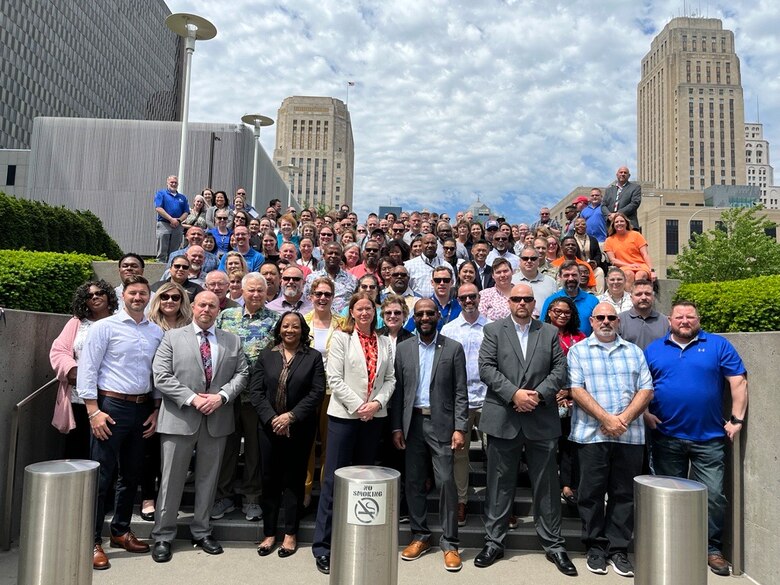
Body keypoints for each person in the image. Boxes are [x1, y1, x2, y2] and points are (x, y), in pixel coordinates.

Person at [475, 283, 576, 576]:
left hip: (541, 417)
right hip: (504, 417)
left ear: (534, 303)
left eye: (526, 299)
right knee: (498, 484)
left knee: (546, 485)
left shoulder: (548, 332)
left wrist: (538, 396)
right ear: (509, 302)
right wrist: (514, 394)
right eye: (516, 298)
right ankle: (494, 541)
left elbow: (560, 370)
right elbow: (486, 368)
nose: (521, 302)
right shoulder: (493, 331)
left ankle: (554, 544)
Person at [644, 301, 748, 577]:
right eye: (679, 316)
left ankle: (711, 549)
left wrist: (737, 420)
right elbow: (640, 386)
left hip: (709, 438)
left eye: (690, 316)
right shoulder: (654, 349)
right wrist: (644, 413)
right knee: (669, 497)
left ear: (698, 319)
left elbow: (737, 381)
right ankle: (672, 545)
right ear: (670, 320)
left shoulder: (717, 345)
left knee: (713, 496)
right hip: (666, 436)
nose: (685, 320)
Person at [150, 291, 249, 563]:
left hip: (217, 419)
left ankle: (202, 531)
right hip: (180, 418)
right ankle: (163, 535)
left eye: (212, 305)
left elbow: (242, 374)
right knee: (171, 480)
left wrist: (222, 397)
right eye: (202, 304)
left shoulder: (232, 340)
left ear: (220, 310)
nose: (206, 309)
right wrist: (193, 399)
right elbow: (161, 376)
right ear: (193, 307)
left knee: (208, 479)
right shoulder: (172, 337)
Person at [75, 275, 163, 570]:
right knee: (102, 477)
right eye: (133, 293)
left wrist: (156, 408)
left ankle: (120, 531)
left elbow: (157, 374)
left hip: (141, 409)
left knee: (132, 475)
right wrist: (92, 410)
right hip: (110, 407)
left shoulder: (155, 332)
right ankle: (91, 541)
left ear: (149, 297)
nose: (138, 297)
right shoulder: (104, 327)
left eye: (143, 293)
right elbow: (88, 369)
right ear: (123, 295)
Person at [311, 292, 396, 575]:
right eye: (359, 308)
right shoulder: (341, 338)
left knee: (363, 482)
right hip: (345, 417)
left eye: (369, 308)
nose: (364, 313)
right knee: (334, 481)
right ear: (351, 311)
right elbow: (333, 378)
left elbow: (390, 378)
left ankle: (357, 538)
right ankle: (323, 547)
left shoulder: (384, 342)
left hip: (374, 418)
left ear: (375, 312)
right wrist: (359, 405)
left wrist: (376, 403)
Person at [567, 303, 654, 577]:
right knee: (590, 494)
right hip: (591, 436)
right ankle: (595, 547)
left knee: (623, 494)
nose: (606, 321)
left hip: (630, 436)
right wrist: (606, 419)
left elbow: (646, 389)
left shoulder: (634, 351)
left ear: (618, 321)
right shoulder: (578, 351)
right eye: (600, 318)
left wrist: (622, 420)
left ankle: (618, 549)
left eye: (611, 317)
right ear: (591, 321)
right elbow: (576, 390)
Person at [392, 299, 468, 572]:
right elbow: (398, 391)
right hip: (411, 424)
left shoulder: (453, 348)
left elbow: (461, 391)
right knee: (412, 482)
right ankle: (420, 535)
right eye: (420, 314)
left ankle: (450, 543)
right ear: (414, 318)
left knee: (446, 481)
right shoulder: (403, 349)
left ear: (438, 315)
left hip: (443, 426)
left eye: (429, 313)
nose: (425, 317)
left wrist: (460, 427)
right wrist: (396, 427)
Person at [250, 312, 325, 558]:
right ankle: (269, 532)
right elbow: (257, 391)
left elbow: (316, 392)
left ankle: (290, 533)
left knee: (294, 481)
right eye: (285, 326)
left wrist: (290, 417)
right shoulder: (266, 355)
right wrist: (273, 418)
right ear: (279, 329)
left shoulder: (312, 357)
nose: (290, 330)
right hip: (269, 427)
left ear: (302, 330)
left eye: (295, 326)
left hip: (299, 428)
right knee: (269, 479)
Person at [212, 273, 280, 522]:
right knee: (227, 448)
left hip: (258, 398)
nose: (255, 294)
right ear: (241, 290)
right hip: (227, 395)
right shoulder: (226, 316)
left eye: (260, 291)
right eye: (250, 290)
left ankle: (252, 498)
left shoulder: (275, 320)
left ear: (266, 292)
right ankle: (223, 497)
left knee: (254, 451)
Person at [50, 280, 118, 460]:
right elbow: (59, 350)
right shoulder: (76, 323)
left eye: (99, 293)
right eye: (89, 296)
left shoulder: (120, 321)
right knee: (77, 449)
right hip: (80, 397)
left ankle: (102, 489)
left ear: (108, 296)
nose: (95, 297)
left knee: (106, 450)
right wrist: (71, 370)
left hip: (111, 396)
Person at [440, 283, 489, 527]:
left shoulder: (492, 327)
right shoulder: (449, 330)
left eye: (472, 296)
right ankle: (461, 501)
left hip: (489, 399)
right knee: (459, 454)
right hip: (460, 400)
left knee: (496, 455)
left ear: (479, 297)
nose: (468, 300)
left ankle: (498, 503)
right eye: (463, 297)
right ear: (457, 300)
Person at [143, 282, 192, 521]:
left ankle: (171, 499)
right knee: (151, 451)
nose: (170, 302)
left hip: (181, 398)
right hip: (152, 395)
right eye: (165, 297)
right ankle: (149, 498)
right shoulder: (149, 327)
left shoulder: (190, 328)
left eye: (175, 298)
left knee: (173, 456)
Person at [303, 278, 347, 508]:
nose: (322, 298)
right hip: (307, 392)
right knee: (306, 443)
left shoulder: (342, 323)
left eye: (327, 294)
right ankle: (306, 490)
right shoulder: (302, 321)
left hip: (334, 391)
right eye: (318, 294)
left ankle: (327, 493)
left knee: (330, 446)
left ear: (333, 297)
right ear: (310, 296)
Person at [543, 296, 585, 509]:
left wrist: (569, 392)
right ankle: (549, 485)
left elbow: (586, 370)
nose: (561, 315)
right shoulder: (539, 334)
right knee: (548, 446)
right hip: (545, 399)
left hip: (572, 399)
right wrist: (551, 392)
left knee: (570, 445)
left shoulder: (580, 337)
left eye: (566, 312)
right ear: (549, 312)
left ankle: (567, 485)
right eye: (557, 311)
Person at [540, 261, 600, 336]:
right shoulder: (551, 301)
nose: (570, 278)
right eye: (566, 275)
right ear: (560, 277)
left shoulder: (593, 301)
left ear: (580, 276)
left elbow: (598, 328)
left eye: (574, 275)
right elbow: (542, 328)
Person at [604, 212, 654, 288]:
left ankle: (639, 297)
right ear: (613, 225)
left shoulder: (636, 235)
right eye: (616, 222)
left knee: (640, 275)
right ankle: (629, 299)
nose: (619, 223)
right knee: (628, 274)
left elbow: (645, 254)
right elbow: (613, 260)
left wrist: (652, 271)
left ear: (626, 223)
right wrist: (629, 265)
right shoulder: (609, 240)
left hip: (641, 266)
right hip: (624, 266)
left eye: (622, 221)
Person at [305, 242, 358, 313]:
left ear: (341, 257)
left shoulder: (353, 280)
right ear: (323, 256)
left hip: (344, 322)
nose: (333, 256)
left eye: (336, 254)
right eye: (330, 253)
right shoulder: (311, 278)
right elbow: (306, 302)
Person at [617, 280, 669, 350]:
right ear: (631, 297)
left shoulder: (664, 321)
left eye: (647, 294)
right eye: (639, 294)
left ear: (653, 297)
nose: (644, 297)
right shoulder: (620, 320)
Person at [511, 245, 557, 317]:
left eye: (533, 259)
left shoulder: (551, 282)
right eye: (525, 258)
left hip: (544, 325)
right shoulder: (511, 281)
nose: (529, 261)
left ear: (538, 261)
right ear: (520, 261)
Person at [154, 175, 189, 263]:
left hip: (177, 225)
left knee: (175, 250)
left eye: (175, 182)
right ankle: (160, 265)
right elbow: (158, 208)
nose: (173, 184)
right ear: (167, 183)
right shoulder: (161, 194)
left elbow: (186, 212)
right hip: (164, 224)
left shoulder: (182, 197)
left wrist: (179, 220)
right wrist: (171, 219)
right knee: (162, 247)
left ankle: (172, 265)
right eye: (171, 182)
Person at [405, 233, 446, 299]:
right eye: (427, 243)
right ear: (421, 245)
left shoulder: (446, 265)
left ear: (437, 245)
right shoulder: (409, 265)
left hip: (440, 306)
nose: (430, 245)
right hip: (416, 305)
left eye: (432, 243)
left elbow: (452, 288)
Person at [429, 265, 460, 331]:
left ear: (452, 282)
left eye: (446, 280)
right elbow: (408, 330)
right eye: (438, 280)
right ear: (432, 283)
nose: (442, 283)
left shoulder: (460, 306)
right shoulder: (424, 306)